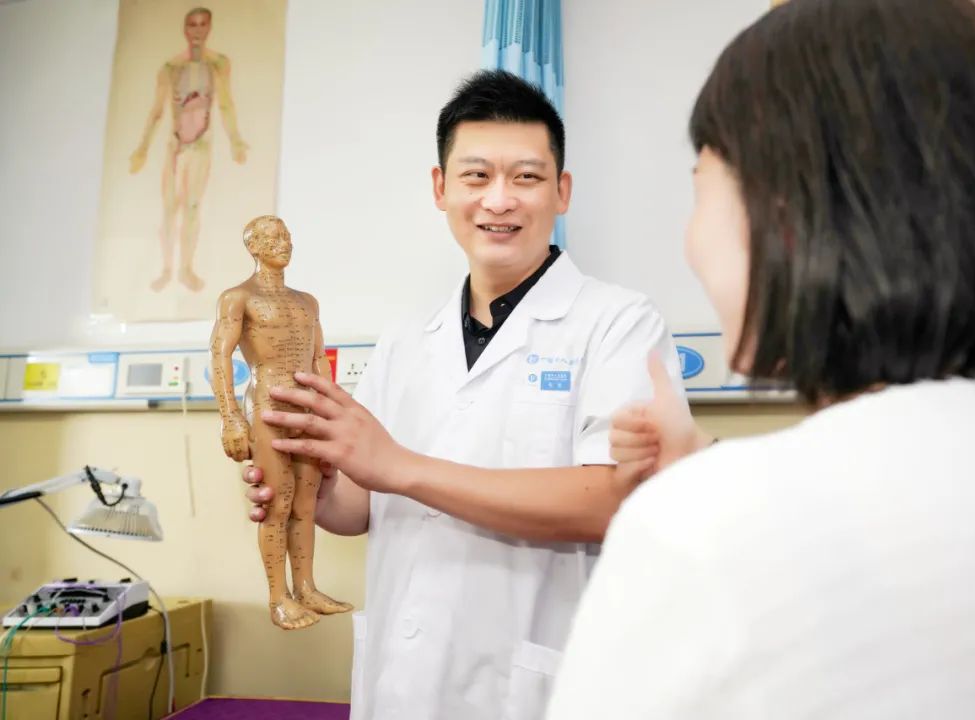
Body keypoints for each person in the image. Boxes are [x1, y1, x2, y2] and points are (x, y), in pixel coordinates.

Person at [546, 0, 975, 718]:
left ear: (787, 214)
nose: (691, 237)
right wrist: (701, 461)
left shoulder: (698, 530)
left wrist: (705, 490)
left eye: (700, 186)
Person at [241, 70, 685, 720]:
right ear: (440, 187)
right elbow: (365, 505)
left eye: (526, 177)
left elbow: (616, 499)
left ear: (561, 192)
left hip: (530, 690)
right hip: (400, 685)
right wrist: (313, 490)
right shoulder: (406, 339)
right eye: (476, 176)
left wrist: (400, 466)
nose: (499, 200)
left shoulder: (619, 324)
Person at [209, 215, 352, 630]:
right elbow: (219, 355)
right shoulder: (238, 298)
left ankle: (306, 587)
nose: (283, 243)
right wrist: (230, 418)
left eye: (286, 236)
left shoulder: (308, 302)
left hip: (307, 408)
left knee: (305, 504)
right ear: (252, 246)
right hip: (267, 405)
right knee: (277, 503)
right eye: (272, 237)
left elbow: (319, 359)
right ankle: (278, 598)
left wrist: (330, 413)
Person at [130, 6, 249, 293]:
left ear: (209, 28)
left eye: (202, 24)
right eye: (192, 25)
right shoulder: (171, 67)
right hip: (176, 146)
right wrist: (142, 148)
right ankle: (166, 269)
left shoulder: (218, 64)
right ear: (185, 29)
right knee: (170, 207)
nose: (197, 30)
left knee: (193, 207)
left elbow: (225, 103)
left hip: (201, 146)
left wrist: (235, 140)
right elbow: (157, 110)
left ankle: (186, 269)